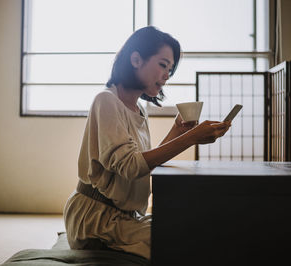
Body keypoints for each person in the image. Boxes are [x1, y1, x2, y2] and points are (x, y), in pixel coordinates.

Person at [63, 26, 231, 260]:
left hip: (124, 216)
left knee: (193, 223)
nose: (167, 75)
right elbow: (131, 166)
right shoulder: (106, 100)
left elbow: (141, 163)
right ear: (136, 59)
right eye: (163, 65)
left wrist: (177, 132)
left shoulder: (138, 109)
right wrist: (190, 138)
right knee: (186, 241)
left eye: (170, 69)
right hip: (97, 219)